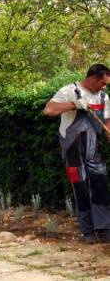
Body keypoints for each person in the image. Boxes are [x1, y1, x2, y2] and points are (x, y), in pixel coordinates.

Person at [44, 64, 110, 243]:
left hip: (95, 149)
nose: (104, 87)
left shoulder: (104, 97)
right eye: (103, 83)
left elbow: (107, 122)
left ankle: (104, 230)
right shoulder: (69, 91)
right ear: (93, 78)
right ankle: (87, 231)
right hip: (72, 149)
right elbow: (48, 110)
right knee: (80, 188)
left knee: (100, 187)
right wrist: (74, 104)